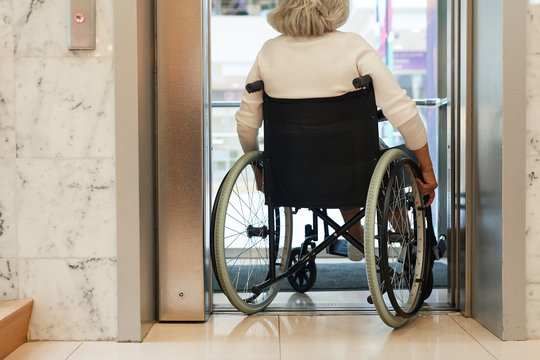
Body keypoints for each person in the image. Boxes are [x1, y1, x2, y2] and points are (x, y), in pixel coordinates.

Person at [235, 0, 438, 261]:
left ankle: (354, 238)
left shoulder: (269, 52)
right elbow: (403, 112)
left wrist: (258, 169)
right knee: (380, 160)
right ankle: (407, 240)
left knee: (340, 158)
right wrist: (428, 171)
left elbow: (246, 125)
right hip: (351, 171)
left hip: (291, 174)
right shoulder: (352, 46)